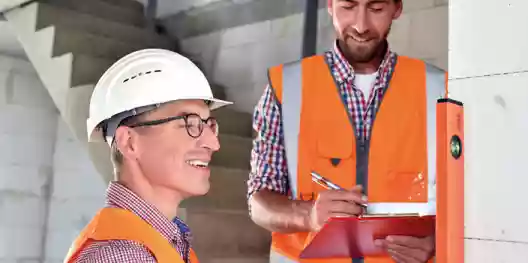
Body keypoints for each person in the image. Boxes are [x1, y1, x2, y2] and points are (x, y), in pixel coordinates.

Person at [247, 0, 445, 262]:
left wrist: (438, 240)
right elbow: (258, 201)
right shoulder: (285, 88)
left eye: (376, 9)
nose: (361, 26)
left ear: (397, 8)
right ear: (330, 4)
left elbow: (469, 200)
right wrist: (309, 215)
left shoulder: (441, 89)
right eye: (348, 7)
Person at [63, 49, 232, 263]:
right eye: (190, 123)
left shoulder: (167, 242)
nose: (213, 143)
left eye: (209, 125)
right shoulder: (122, 257)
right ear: (129, 142)